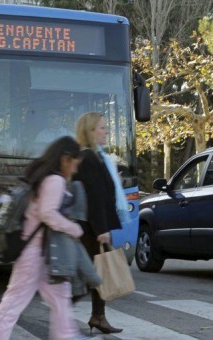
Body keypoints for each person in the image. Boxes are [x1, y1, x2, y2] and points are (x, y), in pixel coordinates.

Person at [0, 136, 84, 340]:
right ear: (66, 159)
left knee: (60, 298)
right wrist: (73, 229)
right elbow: (48, 214)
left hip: (45, 252)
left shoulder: (44, 177)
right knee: (15, 301)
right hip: (35, 252)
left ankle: (67, 336)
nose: (75, 170)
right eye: (75, 164)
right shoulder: (55, 180)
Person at [73, 112, 130, 335]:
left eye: (106, 128)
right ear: (89, 132)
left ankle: (98, 316)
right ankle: (65, 310)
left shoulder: (95, 157)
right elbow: (93, 197)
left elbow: (101, 190)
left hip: (93, 225)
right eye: (102, 128)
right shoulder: (88, 158)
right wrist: (102, 229)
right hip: (91, 227)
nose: (106, 132)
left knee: (98, 273)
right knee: (92, 274)